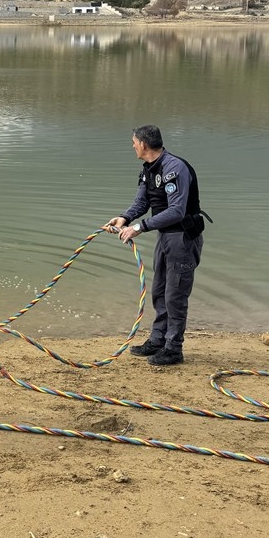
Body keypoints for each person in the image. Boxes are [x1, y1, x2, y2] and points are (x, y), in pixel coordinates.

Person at [105, 125, 207, 367]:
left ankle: (173, 349)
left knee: (175, 295)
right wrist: (124, 218)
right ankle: (158, 339)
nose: (132, 146)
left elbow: (176, 210)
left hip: (182, 238)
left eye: (133, 142)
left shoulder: (175, 168)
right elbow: (142, 201)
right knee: (159, 291)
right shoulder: (149, 169)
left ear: (143, 144)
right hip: (164, 237)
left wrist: (139, 228)